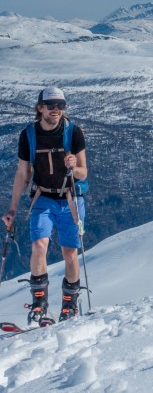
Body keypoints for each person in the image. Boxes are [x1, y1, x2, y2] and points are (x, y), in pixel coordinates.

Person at [2, 87, 87, 323]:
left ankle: (69, 306)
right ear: (40, 108)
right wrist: (12, 208)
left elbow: (83, 172)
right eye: (51, 106)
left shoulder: (74, 132)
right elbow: (22, 173)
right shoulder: (28, 135)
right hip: (43, 197)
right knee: (39, 246)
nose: (57, 110)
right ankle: (39, 302)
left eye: (61, 106)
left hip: (71, 199)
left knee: (70, 253)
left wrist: (73, 166)